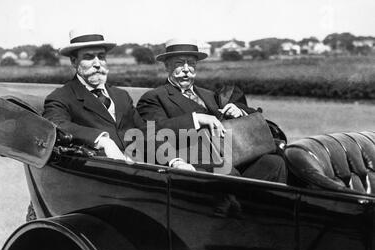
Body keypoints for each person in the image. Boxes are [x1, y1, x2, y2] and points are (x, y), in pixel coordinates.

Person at [136, 39, 286, 183]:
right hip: (197, 164)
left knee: (275, 163)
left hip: (235, 154)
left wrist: (239, 112)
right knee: (227, 172)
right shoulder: (153, 97)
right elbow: (149, 133)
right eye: (179, 63)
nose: (186, 69)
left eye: (192, 64)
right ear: (167, 66)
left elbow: (253, 116)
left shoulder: (209, 94)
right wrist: (196, 119)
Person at [43, 29, 193, 170]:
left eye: (101, 57)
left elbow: (144, 133)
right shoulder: (61, 97)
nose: (97, 64)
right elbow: (54, 124)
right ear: (74, 61)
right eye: (89, 57)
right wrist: (102, 140)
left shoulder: (121, 96)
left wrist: (175, 161)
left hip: (139, 172)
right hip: (99, 177)